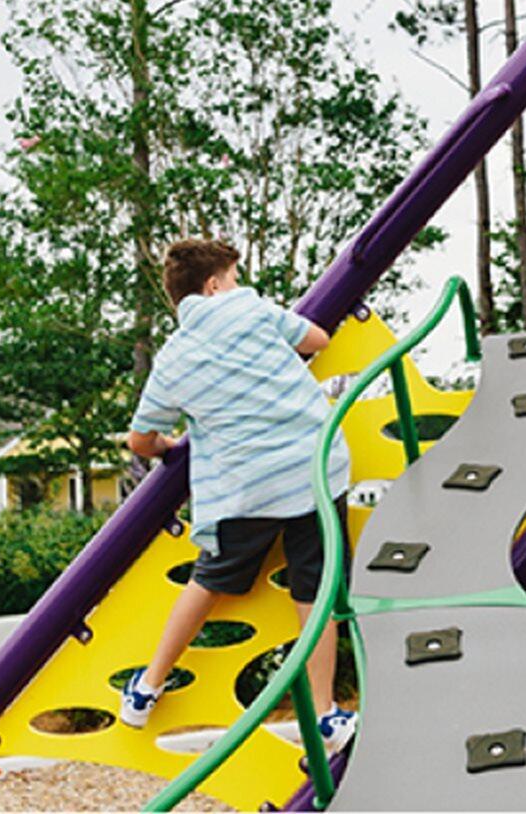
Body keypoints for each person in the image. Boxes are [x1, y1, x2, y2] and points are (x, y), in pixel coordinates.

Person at [122, 238, 356, 754]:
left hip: (247, 488)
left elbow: (140, 439)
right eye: (231, 277)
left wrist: (167, 445)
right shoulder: (249, 310)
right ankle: (322, 714)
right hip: (312, 469)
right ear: (213, 286)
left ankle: (148, 685)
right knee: (315, 595)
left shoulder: (174, 359)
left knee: (209, 582)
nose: (236, 285)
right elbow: (315, 338)